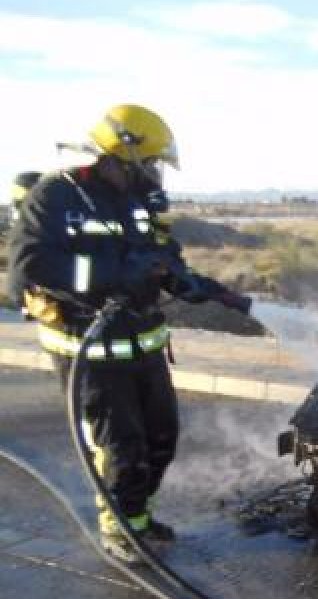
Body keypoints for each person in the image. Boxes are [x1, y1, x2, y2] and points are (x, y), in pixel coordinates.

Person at [7, 104, 243, 564]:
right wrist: (114, 274)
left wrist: (183, 280)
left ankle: (137, 518)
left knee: (162, 439)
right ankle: (119, 529)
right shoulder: (56, 196)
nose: (153, 175)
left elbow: (159, 254)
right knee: (121, 448)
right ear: (118, 156)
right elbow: (27, 272)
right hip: (89, 348)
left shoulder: (137, 199)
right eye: (148, 164)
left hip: (143, 342)